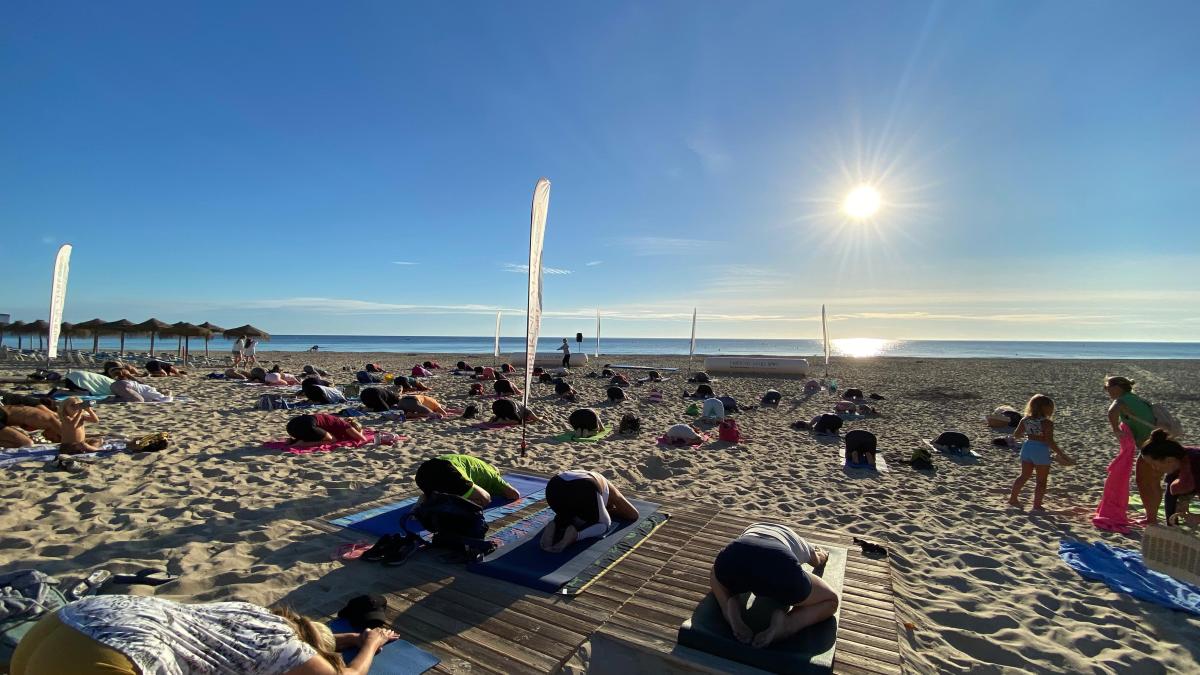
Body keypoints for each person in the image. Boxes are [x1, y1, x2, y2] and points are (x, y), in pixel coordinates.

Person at [9, 594, 398, 675]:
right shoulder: (287, 651)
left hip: (67, 619)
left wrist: (346, 638)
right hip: (109, 653)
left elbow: (310, 640)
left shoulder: (251, 613)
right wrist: (370, 643)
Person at [710, 523, 838, 648]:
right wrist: (822, 555)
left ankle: (728, 607)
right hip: (779, 561)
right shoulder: (797, 539)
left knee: (716, 572)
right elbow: (817, 560)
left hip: (737, 551)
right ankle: (788, 624)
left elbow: (752, 557)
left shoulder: (751, 528)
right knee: (831, 600)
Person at [1105, 376, 1161, 524]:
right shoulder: (1137, 399)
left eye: (1107, 387)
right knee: (1154, 482)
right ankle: (1153, 517)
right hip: (1163, 443)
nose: (1107, 391)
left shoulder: (1122, 400)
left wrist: (1115, 429)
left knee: (1143, 481)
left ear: (1117, 387)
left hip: (1151, 447)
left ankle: (1151, 518)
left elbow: (1111, 412)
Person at [540, 470, 639, 552]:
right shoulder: (608, 488)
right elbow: (633, 514)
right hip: (585, 485)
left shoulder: (592, 477)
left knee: (571, 516)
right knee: (605, 524)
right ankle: (576, 535)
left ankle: (555, 524)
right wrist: (611, 511)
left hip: (555, 484)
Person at [1008, 394, 1074, 510]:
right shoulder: (1047, 423)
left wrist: (1030, 433)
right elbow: (1049, 441)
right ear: (1046, 408)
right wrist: (1062, 454)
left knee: (1023, 476)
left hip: (1027, 447)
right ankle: (1037, 505)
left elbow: (1017, 435)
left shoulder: (1025, 420)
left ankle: (1013, 499)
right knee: (1041, 481)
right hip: (1040, 450)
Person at [1138, 429, 1200, 526]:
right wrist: (1172, 525)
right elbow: (1170, 497)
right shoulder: (1177, 462)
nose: (1154, 468)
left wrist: (1198, 518)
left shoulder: (1195, 464)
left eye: (1154, 464)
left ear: (1168, 460)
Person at [415, 454, 519, 507]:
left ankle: (428, 496)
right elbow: (514, 494)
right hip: (447, 469)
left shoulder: (475, 464)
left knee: (451, 488)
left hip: (423, 473)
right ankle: (439, 505)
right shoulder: (492, 474)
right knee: (485, 499)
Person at [0, 402, 69, 447]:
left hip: (3, 417)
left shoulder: (45, 421)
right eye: (52, 439)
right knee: (27, 443)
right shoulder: (48, 420)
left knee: (22, 441)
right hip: (2, 415)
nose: (48, 439)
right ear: (58, 434)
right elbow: (67, 435)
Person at [285, 413, 366, 447]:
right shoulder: (345, 425)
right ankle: (302, 443)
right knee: (333, 440)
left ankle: (293, 441)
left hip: (291, 426)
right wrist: (361, 431)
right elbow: (363, 439)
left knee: (318, 435)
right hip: (308, 425)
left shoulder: (335, 420)